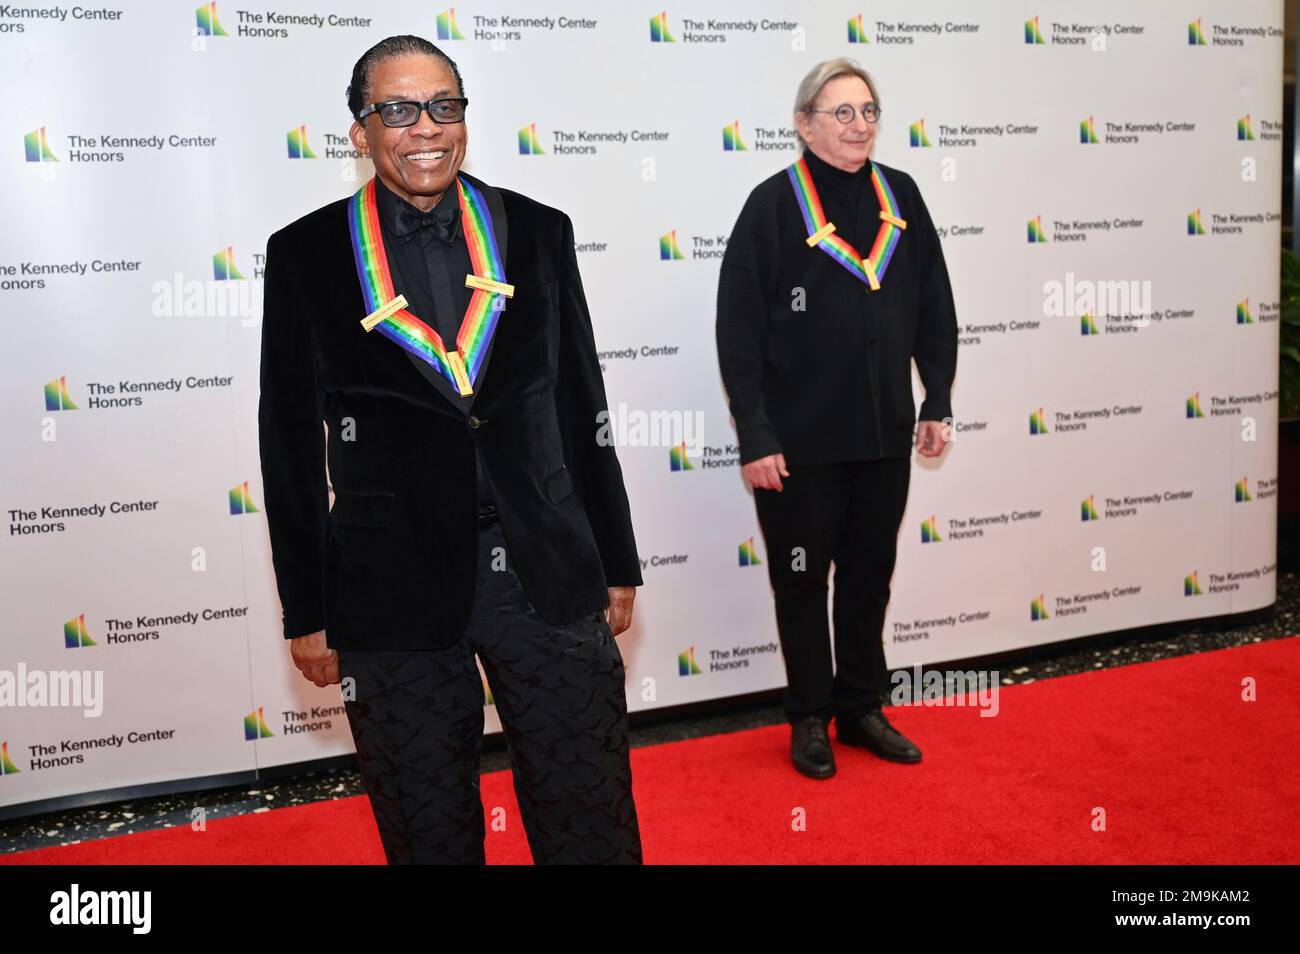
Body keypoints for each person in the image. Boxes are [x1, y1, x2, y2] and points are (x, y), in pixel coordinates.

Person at [257, 35, 643, 863]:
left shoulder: (539, 233)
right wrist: (310, 610)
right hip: (389, 592)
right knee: (427, 829)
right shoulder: (306, 255)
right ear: (360, 131)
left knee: (590, 814)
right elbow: (287, 442)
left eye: (444, 106)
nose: (424, 127)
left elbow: (584, 404)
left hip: (544, 569)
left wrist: (617, 558)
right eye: (396, 109)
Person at [715, 58, 958, 779]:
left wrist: (936, 397)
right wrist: (755, 435)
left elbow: (935, 307)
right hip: (797, 446)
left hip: (884, 436)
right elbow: (738, 333)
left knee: (867, 579)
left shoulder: (902, 197)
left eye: (868, 111)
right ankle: (808, 718)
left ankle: (860, 708)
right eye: (842, 112)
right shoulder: (771, 206)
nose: (860, 125)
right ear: (804, 124)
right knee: (801, 582)